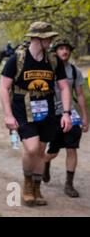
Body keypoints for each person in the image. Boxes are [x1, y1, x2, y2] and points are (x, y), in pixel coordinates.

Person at [0, 22, 72, 207]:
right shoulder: (17, 59)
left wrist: (66, 113)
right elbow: (4, 87)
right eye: (48, 37)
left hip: (46, 109)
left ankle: (37, 187)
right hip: (23, 109)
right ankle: (27, 183)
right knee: (31, 148)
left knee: (41, 150)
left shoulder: (54, 60)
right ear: (38, 38)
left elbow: (64, 87)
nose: (51, 40)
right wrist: (8, 115)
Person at [43, 38, 89, 197]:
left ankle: (69, 185)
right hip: (51, 115)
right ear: (55, 51)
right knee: (53, 152)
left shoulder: (74, 71)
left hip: (70, 114)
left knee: (72, 148)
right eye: (61, 48)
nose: (65, 51)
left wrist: (85, 117)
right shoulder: (47, 68)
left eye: (67, 49)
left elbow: (80, 95)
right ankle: (45, 162)